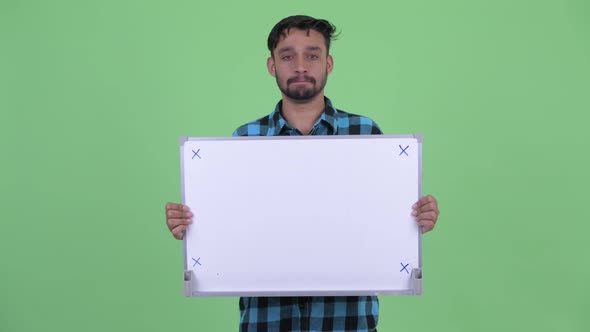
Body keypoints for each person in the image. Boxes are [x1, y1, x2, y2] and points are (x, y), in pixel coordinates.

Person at [165, 15, 440, 332]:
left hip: (348, 321)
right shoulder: (243, 140)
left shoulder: (366, 134)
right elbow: (231, 223)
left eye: (312, 55)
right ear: (272, 66)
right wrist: (193, 226)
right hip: (266, 321)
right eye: (287, 56)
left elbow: (381, 219)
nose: (300, 66)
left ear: (329, 63)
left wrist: (416, 219)